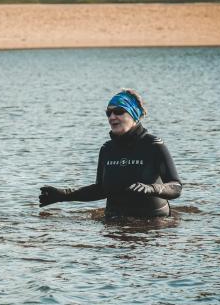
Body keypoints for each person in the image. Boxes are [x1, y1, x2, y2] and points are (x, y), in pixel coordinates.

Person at [39, 89, 182, 219]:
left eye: (119, 111)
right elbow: (101, 189)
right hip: (113, 222)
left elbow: (176, 187)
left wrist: (153, 188)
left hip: (152, 225)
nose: (112, 117)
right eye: (109, 113)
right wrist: (64, 195)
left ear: (134, 114)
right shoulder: (107, 149)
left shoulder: (153, 145)